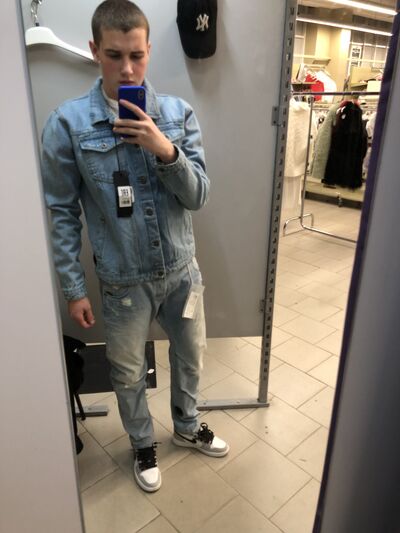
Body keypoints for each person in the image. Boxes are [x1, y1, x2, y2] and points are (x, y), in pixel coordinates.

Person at [41, 0, 229, 493]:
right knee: (128, 374)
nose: (127, 68)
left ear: (149, 52)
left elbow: (199, 196)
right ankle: (142, 443)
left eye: (137, 55)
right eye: (114, 55)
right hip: (122, 282)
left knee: (191, 358)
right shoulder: (67, 125)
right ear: (94, 50)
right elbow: (62, 212)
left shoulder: (177, 115)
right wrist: (73, 289)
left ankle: (186, 426)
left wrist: (164, 149)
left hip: (181, 272)